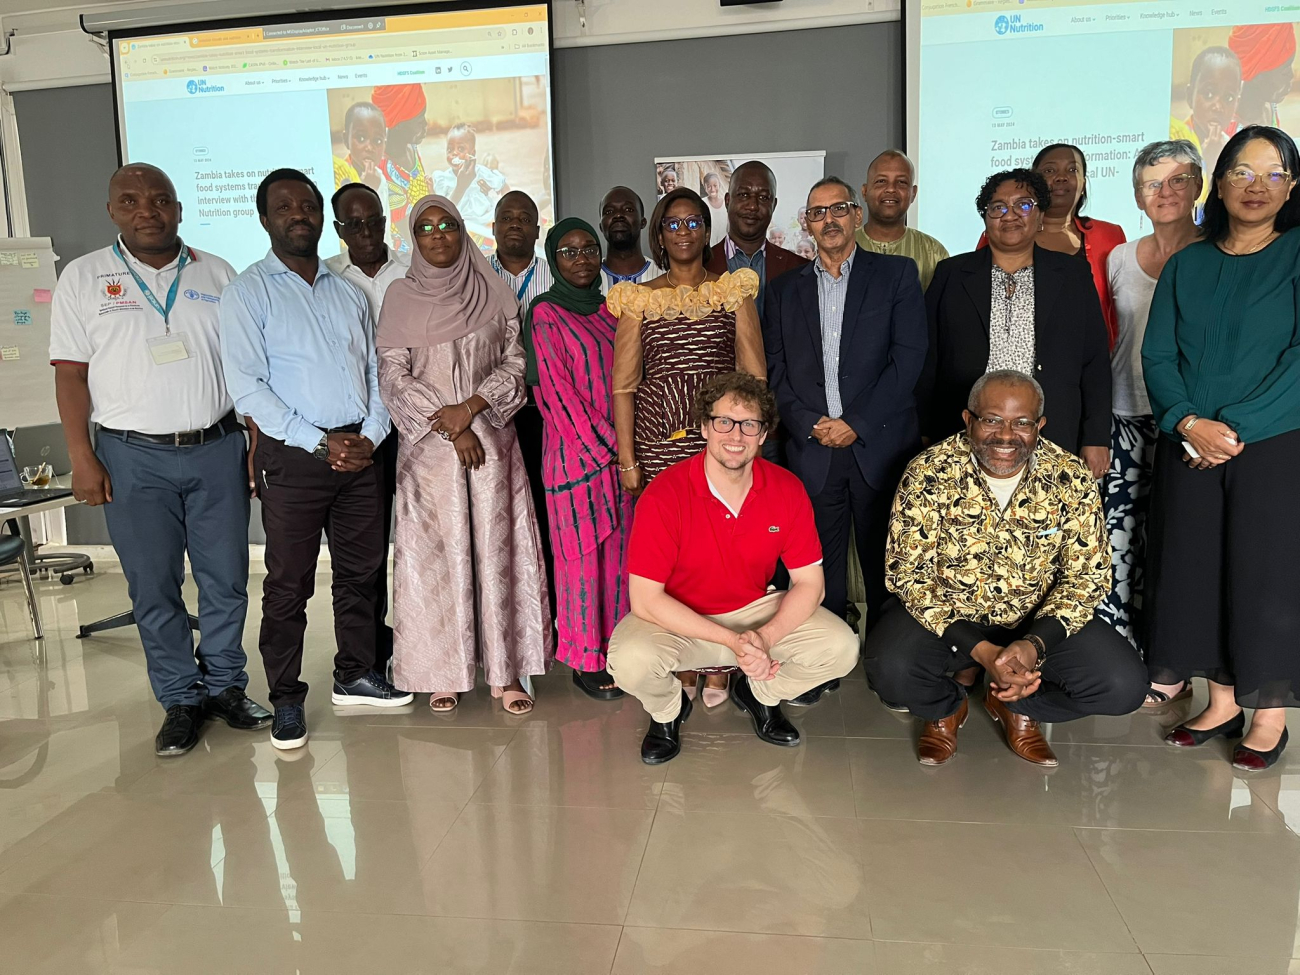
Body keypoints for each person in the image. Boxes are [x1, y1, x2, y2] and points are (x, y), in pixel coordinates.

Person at [50, 163, 270, 758]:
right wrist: (82, 456)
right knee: (154, 586)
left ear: (178, 208)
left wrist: (254, 443)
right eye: (131, 200)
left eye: (160, 200)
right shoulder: (83, 278)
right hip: (130, 456)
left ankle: (225, 686)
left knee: (226, 579)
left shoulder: (218, 273)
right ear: (112, 211)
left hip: (217, 448)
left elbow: (245, 368)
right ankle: (180, 697)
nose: (147, 210)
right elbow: (70, 374)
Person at [864, 371, 1146, 767]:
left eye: (1022, 423)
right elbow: (907, 575)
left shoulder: (1070, 476)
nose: (1006, 435)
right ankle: (946, 707)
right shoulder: (928, 472)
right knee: (888, 668)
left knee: (1124, 686)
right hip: (951, 619)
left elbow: (1088, 577)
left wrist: (1034, 646)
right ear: (969, 420)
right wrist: (982, 651)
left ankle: (1015, 700)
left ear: (1039, 426)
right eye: (992, 419)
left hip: (1035, 618)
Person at [221, 168, 412, 751]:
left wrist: (373, 437)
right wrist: (319, 440)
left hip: (360, 452)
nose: (298, 214)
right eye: (285, 207)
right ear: (265, 219)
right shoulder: (248, 292)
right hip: (295, 458)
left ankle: (356, 673)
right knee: (289, 584)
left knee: (362, 574)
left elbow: (378, 374)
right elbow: (248, 388)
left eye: (306, 204)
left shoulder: (348, 293)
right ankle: (285, 698)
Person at [1142, 125, 1300, 771]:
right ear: (1219, 183)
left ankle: (1269, 714)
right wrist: (1187, 422)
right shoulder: (1189, 263)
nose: (1255, 186)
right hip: (1190, 446)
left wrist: (1232, 429)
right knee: (1196, 573)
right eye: (1242, 171)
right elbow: (1158, 354)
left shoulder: (1296, 255)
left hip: (1272, 448)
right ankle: (1222, 700)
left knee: (1265, 580)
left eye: (1272, 173)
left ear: (1293, 185)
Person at [606, 372, 860, 764]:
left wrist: (764, 636)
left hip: (753, 610)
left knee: (841, 648)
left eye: (749, 424)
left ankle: (759, 695)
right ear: (705, 428)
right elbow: (645, 600)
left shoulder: (787, 489)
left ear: (763, 434)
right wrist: (733, 642)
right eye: (723, 421)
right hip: (679, 616)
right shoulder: (665, 493)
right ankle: (668, 713)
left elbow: (811, 584)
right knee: (628, 661)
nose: (735, 435)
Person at [377, 195, 553, 714]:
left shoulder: (493, 291)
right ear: (415, 237)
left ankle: (507, 672)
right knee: (437, 558)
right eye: (426, 227)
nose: (437, 235)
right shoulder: (398, 298)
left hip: (493, 450)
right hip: (430, 460)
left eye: (447, 225)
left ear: (462, 231)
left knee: (500, 556)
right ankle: (442, 670)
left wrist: (472, 409)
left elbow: (515, 362)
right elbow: (392, 375)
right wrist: (452, 427)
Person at [610, 186, 765, 706]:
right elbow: (624, 386)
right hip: (657, 443)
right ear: (658, 233)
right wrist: (629, 459)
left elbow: (754, 376)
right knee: (671, 560)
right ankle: (679, 659)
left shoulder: (732, 290)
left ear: (707, 229)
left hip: (722, 443)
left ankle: (719, 662)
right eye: (672, 224)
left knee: (722, 555)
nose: (683, 231)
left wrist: (752, 448)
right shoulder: (638, 298)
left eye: (693, 221)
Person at [765, 176, 927, 636]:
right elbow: (775, 369)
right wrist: (810, 423)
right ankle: (827, 656)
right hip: (813, 448)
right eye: (817, 212)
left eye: (838, 209)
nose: (829, 220)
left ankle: (887, 657)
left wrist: (855, 423)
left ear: (856, 215)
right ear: (806, 225)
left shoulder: (896, 275)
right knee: (816, 566)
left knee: (888, 563)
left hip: (879, 445)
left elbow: (908, 359)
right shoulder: (782, 290)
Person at [922, 168, 1111, 480]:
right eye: (998, 207)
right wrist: (925, 429)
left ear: (1040, 216)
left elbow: (1095, 361)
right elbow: (928, 358)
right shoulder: (952, 274)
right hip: (966, 429)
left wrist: (1096, 436)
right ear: (985, 217)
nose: (1009, 215)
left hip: (1053, 428)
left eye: (1023, 205)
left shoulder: (1072, 275)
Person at [1098, 141, 1203, 700]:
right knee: (1118, 541)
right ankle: (1120, 653)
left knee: (1175, 542)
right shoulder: (1119, 257)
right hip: (1124, 413)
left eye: (1176, 182)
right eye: (1151, 184)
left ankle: (1172, 660)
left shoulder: (1217, 252)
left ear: (1198, 188)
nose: (1163, 194)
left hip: (1187, 422)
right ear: (1137, 194)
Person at [526, 217, 633, 699]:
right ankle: (586, 657)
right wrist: (614, 447)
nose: (582, 258)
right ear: (554, 260)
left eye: (589, 248)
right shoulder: (546, 313)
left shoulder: (614, 310)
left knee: (620, 560)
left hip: (622, 462)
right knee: (580, 561)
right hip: (576, 460)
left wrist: (630, 450)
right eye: (569, 252)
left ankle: (621, 649)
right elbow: (555, 394)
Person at [324, 181, 412, 674]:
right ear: (338, 229)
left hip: (418, 416)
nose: (364, 230)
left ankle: (427, 632)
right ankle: (373, 644)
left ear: (384, 220)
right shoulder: (328, 278)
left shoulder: (412, 270)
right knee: (368, 544)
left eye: (372, 220)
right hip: (365, 427)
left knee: (423, 533)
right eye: (352, 223)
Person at [488, 190, 555, 613]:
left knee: (545, 519)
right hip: (491, 415)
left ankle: (546, 615)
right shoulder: (472, 277)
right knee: (500, 520)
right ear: (493, 227)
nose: (515, 224)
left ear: (536, 228)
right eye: (506, 217)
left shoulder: (558, 275)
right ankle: (504, 616)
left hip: (546, 415)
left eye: (524, 218)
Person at [703, 160, 808, 321]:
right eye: (744, 195)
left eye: (764, 197)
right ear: (727, 200)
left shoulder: (799, 269)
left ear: (774, 205)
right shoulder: (702, 266)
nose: (753, 206)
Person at [856, 150, 949, 292]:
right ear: (865, 191)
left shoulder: (934, 253)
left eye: (901, 182)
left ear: (913, 193)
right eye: (881, 181)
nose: (891, 189)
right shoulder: (843, 246)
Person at [1170, 47, 1243, 199]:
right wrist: (1208, 162)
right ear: (1190, 96)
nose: (1218, 106)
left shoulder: (1231, 146)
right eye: (1209, 94)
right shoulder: (1174, 143)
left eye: (1228, 98)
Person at [371, 83, 431, 254]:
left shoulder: (412, 149)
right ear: (399, 125)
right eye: (419, 121)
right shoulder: (384, 168)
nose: (426, 125)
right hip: (406, 252)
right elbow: (407, 234)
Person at [433, 123, 509, 229]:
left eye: (461, 149)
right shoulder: (444, 179)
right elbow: (440, 209)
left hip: (485, 220)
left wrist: (508, 205)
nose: (454, 153)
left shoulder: (481, 172)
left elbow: (502, 184)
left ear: (472, 154)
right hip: (461, 225)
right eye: (450, 150)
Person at [1229, 24, 1296, 127]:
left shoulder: (1269, 107)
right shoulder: (1230, 128)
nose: (1292, 76)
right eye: (1285, 71)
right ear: (1258, 76)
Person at [597, 186, 661, 292]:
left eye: (628, 209)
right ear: (601, 227)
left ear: (643, 222)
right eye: (608, 211)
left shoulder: (664, 275)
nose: (618, 215)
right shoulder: (588, 279)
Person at [332, 101, 386, 192]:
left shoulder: (380, 178)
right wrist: (368, 188)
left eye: (377, 141)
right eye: (361, 138)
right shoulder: (338, 177)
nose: (369, 148)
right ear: (346, 140)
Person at [701, 171, 728, 245]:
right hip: (708, 246)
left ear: (719, 185)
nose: (712, 189)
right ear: (705, 187)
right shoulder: (702, 203)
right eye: (709, 186)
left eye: (715, 185)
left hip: (724, 246)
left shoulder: (726, 204)